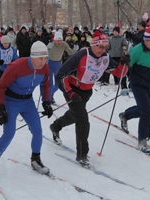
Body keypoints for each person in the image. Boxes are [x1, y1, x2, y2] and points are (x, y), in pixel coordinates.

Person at [49, 30, 129, 166]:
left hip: (86, 91)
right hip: (73, 90)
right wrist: (69, 93)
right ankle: (82, 155)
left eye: (105, 47)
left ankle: (55, 126)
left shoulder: (105, 58)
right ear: (93, 45)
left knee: (75, 116)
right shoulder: (80, 56)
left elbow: (120, 73)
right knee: (83, 121)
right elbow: (60, 75)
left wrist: (124, 63)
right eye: (100, 47)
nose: (103, 50)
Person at [0, 41, 53, 181]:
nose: (43, 62)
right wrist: (0, 107)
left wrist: (46, 102)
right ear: (33, 57)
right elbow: (1, 86)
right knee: (9, 133)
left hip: (28, 102)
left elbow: (46, 84)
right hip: (11, 101)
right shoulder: (16, 66)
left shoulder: (45, 68)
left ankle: (35, 159)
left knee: (38, 130)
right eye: (40, 58)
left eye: (45, 58)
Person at [46, 32, 75, 103]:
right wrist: (47, 48)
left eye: (60, 40)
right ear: (55, 40)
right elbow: (44, 53)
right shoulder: (52, 45)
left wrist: (76, 50)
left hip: (58, 65)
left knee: (57, 84)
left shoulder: (64, 44)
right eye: (57, 40)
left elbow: (70, 52)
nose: (59, 42)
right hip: (50, 64)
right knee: (50, 84)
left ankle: (50, 95)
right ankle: (48, 99)